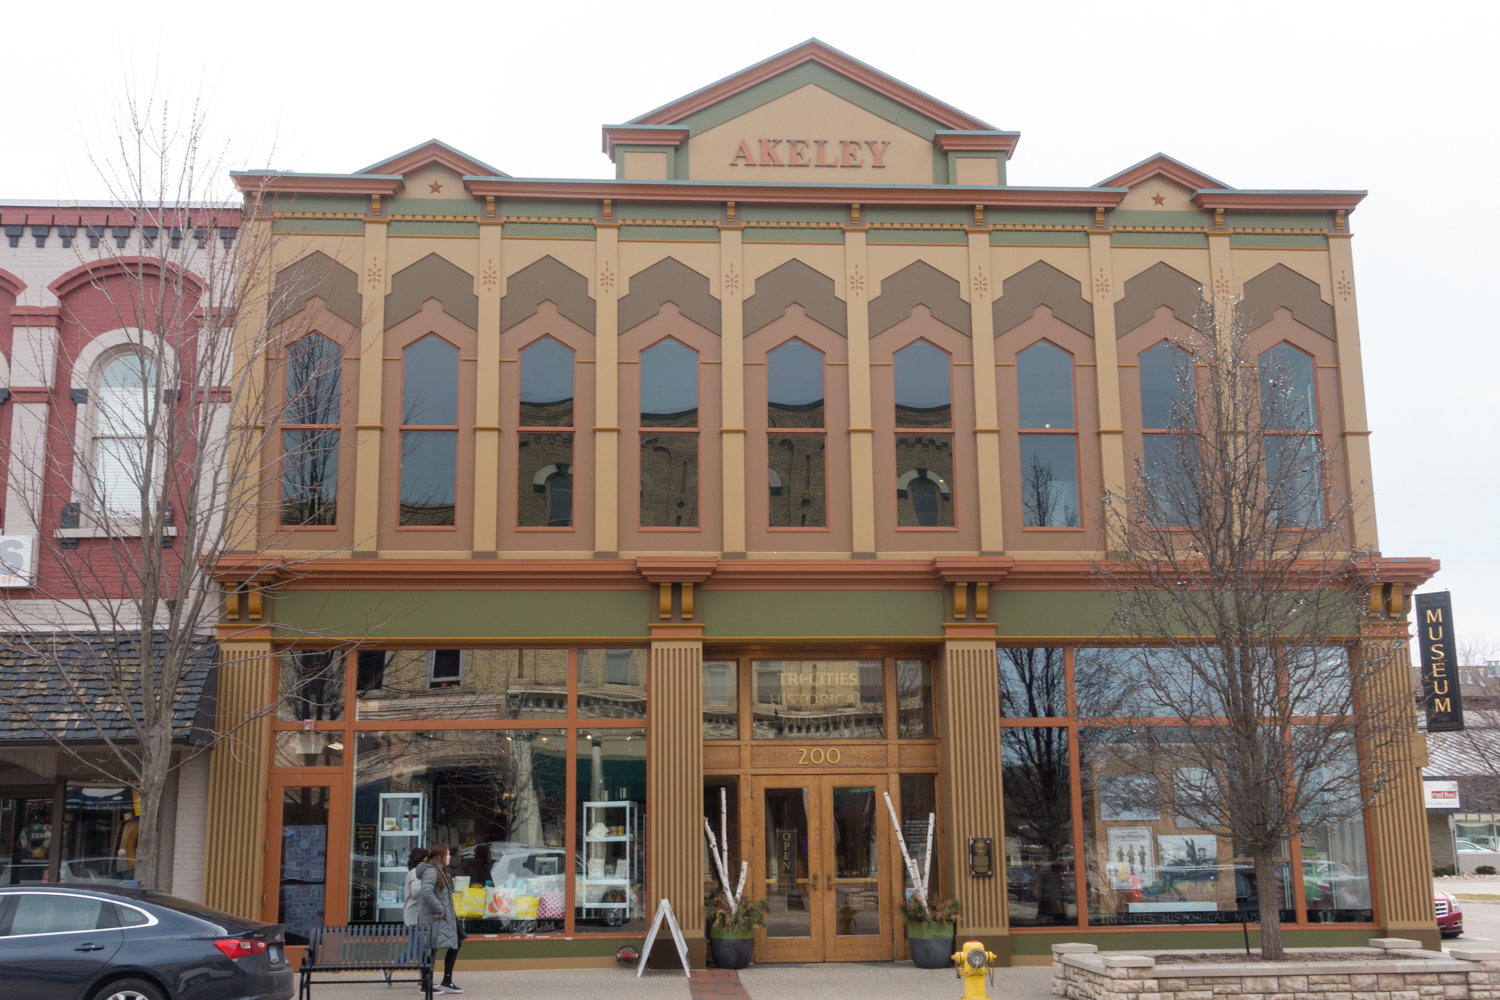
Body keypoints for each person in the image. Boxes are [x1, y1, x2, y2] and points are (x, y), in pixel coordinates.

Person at [416, 845, 463, 994]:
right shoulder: (431, 871)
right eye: (448, 855)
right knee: (431, 949)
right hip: (434, 918)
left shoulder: (440, 870)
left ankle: (446, 981)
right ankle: (426, 985)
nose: (450, 857)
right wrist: (440, 909)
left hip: (443, 919)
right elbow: (426, 892)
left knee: (455, 943)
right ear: (440, 857)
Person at [382, 848, 428, 986]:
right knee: (419, 948)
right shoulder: (414, 873)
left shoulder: (419, 873)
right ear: (423, 860)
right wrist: (428, 882)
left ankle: (421, 979)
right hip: (414, 916)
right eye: (428, 859)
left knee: (422, 948)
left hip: (421, 916)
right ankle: (390, 967)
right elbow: (415, 892)